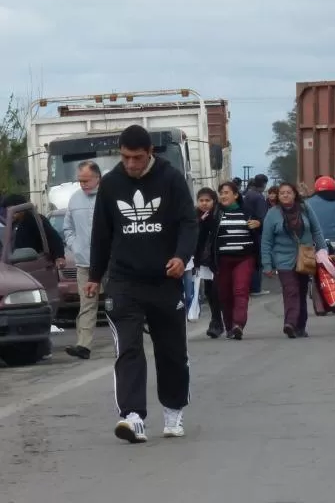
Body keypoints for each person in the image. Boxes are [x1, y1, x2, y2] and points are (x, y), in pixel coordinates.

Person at [86, 124, 198, 443]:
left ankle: (173, 410)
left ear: (150, 153)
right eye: (125, 158)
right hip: (124, 281)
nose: (131, 164)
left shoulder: (171, 178)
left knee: (171, 351)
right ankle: (133, 416)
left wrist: (181, 256)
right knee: (129, 348)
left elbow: (188, 223)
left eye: (137, 158)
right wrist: (95, 276)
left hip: (165, 279)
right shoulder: (111, 184)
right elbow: (101, 234)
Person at [261, 182, 327, 338]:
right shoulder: (272, 214)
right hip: (283, 259)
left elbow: (317, 230)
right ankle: (289, 323)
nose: (285, 195)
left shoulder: (305, 208)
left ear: (294, 194)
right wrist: (267, 264)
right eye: (282, 192)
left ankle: (300, 326)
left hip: (305, 256)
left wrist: (323, 251)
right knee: (291, 291)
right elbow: (266, 241)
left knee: (302, 291)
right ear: (278, 196)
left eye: (288, 192)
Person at [1, 194, 67, 332]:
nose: (8, 213)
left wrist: (59, 256)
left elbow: (53, 238)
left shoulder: (35, 221)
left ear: (21, 208)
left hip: (29, 265)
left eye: (10, 209)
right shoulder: (10, 224)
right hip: (16, 265)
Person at [63, 161, 102, 359]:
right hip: (84, 263)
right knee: (86, 304)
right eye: (80, 181)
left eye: (86, 180)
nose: (83, 184)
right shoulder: (74, 199)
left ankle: (127, 341)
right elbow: (67, 228)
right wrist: (75, 245)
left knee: (118, 303)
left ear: (97, 178)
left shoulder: (108, 196)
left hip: (110, 262)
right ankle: (83, 345)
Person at [213, 181, 261, 339]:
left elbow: (260, 225)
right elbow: (202, 233)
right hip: (222, 260)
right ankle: (229, 326)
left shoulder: (247, 211)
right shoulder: (215, 213)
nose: (223, 196)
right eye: (221, 193)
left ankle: (238, 324)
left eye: (226, 192)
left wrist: (258, 224)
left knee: (240, 290)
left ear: (235, 195)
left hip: (244, 258)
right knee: (225, 295)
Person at [190, 187, 224, 338]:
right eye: (201, 201)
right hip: (202, 260)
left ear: (214, 201)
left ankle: (222, 321)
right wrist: (199, 222)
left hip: (218, 257)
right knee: (210, 291)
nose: (204, 204)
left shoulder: (219, 214)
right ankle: (216, 322)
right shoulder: (193, 216)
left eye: (207, 200)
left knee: (219, 291)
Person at [243, 174, 270, 297]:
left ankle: (249, 286)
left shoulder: (247, 194)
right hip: (257, 232)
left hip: (247, 231)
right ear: (264, 184)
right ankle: (256, 288)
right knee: (257, 261)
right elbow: (263, 216)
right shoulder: (258, 197)